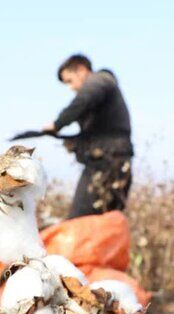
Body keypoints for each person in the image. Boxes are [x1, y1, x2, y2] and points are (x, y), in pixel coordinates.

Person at [43, 54, 134, 219]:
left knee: (80, 220)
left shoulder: (100, 80)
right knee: (107, 223)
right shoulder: (105, 95)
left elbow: (84, 99)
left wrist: (57, 124)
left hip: (105, 164)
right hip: (118, 163)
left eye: (70, 81)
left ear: (81, 70)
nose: (71, 88)